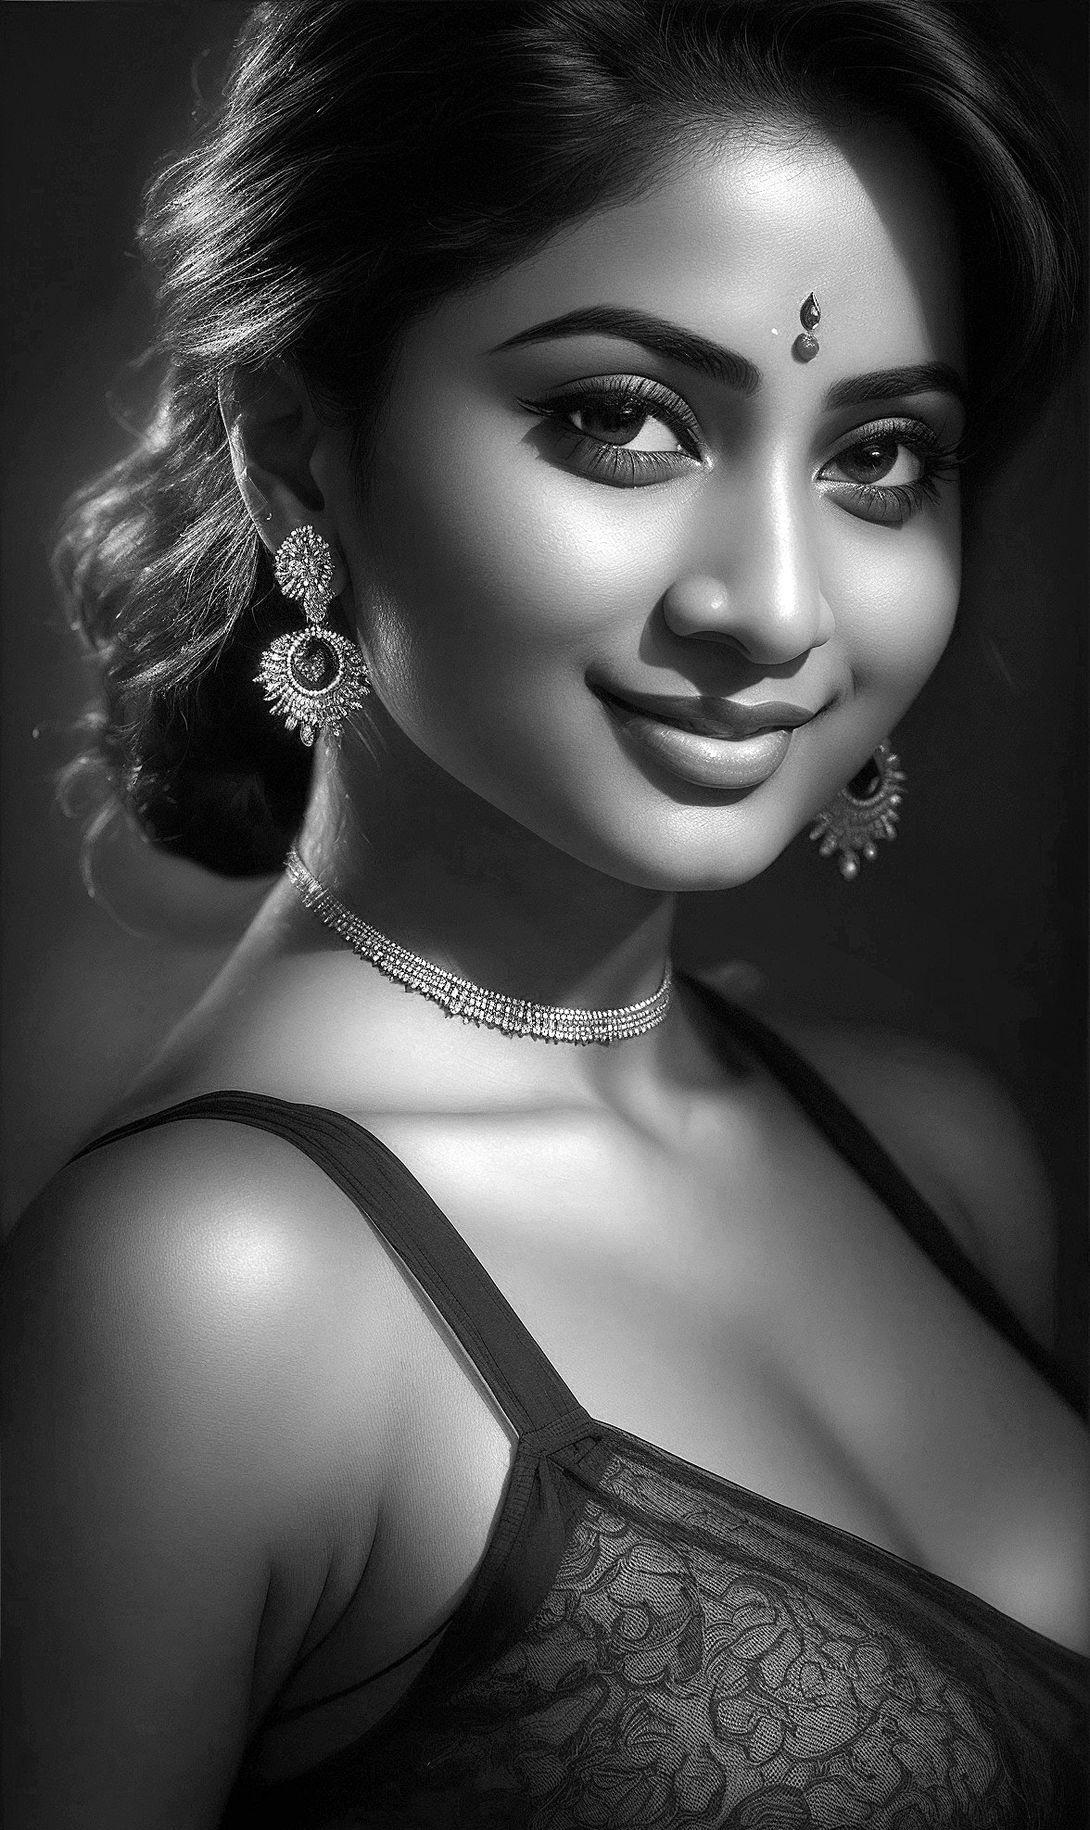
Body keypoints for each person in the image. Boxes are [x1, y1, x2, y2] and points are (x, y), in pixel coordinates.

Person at [4, 1, 1087, 1824]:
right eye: (622, 420)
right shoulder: (206, 1290)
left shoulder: (942, 1158)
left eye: (878, 456)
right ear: (297, 452)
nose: (770, 602)